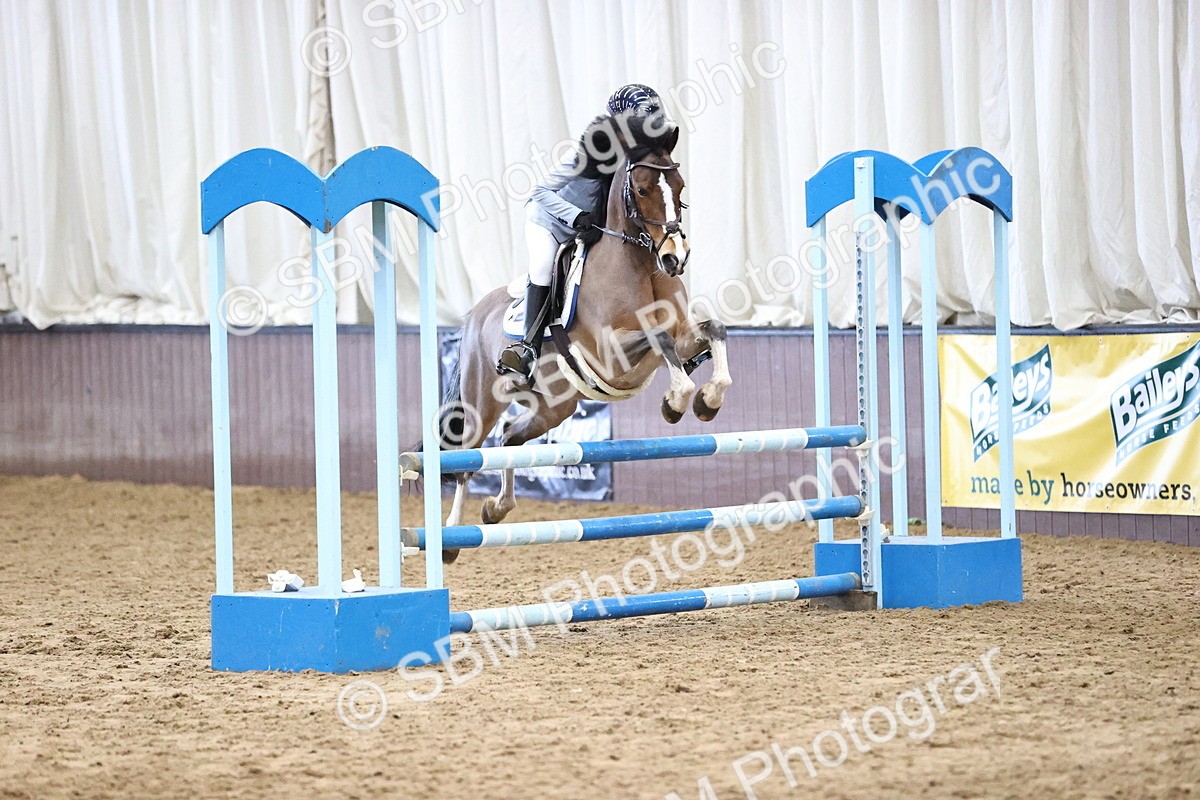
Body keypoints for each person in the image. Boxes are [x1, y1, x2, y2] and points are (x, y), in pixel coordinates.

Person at [496, 84, 677, 387]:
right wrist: (575, 216)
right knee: (542, 268)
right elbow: (539, 192)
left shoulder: (633, 163)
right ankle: (527, 348)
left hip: (593, 231)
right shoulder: (584, 155)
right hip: (551, 222)